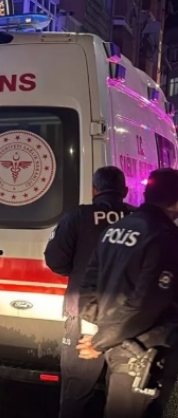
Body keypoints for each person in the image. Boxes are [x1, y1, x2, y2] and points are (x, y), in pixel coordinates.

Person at [77, 168, 178, 418]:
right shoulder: (165, 237)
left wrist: (98, 330)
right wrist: (99, 342)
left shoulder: (117, 228)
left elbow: (89, 282)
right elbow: (146, 304)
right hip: (143, 351)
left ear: (145, 195)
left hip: (115, 345)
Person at [44, 166, 132, 418]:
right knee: (123, 397)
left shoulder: (78, 217)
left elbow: (55, 260)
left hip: (85, 313)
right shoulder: (138, 219)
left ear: (94, 190)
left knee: (76, 392)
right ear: (125, 191)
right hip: (128, 317)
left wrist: (79, 270)